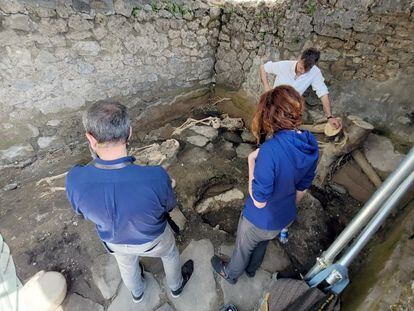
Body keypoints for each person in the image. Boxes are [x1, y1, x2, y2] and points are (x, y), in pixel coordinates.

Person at [65, 101, 193, 303]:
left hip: (115, 241)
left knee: (126, 264)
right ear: (130, 132)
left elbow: (80, 213)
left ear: (90, 138)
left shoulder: (75, 179)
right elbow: (169, 206)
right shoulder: (155, 177)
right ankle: (176, 287)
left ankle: (137, 294)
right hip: (154, 239)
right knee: (169, 255)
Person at [211, 85, 319, 284]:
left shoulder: (270, 150)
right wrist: (284, 207)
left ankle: (231, 274)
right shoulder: (310, 143)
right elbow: (301, 189)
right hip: (284, 217)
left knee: (244, 246)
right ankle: (252, 269)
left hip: (259, 217)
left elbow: (259, 199)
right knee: (262, 242)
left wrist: (251, 162)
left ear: (270, 115)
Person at [259, 47, 341, 129]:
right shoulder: (285, 65)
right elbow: (263, 67)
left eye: (306, 70)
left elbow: (323, 94)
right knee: (265, 126)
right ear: (299, 58)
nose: (302, 72)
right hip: (274, 104)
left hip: (290, 110)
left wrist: (329, 117)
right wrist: (266, 87)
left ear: (313, 66)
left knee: (284, 132)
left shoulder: (315, 73)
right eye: (301, 67)